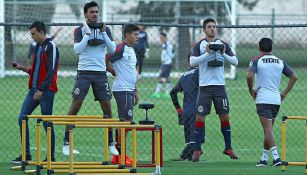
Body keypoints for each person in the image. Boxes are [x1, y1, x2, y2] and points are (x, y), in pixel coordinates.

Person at [62, 1, 118, 156]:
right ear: (85, 14)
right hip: (84, 73)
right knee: (76, 105)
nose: (95, 14)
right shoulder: (79, 30)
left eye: (96, 12)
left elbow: (112, 49)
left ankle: (110, 142)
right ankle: (66, 142)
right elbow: (78, 50)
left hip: (100, 74)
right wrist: (87, 34)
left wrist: (104, 32)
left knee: (107, 108)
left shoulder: (105, 29)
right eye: (92, 12)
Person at [189, 18, 239, 162]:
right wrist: (206, 53)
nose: (212, 29)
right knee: (199, 117)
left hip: (219, 87)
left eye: (214, 26)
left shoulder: (223, 44)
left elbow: (235, 61)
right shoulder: (199, 45)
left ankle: (228, 148)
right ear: (204, 30)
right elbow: (192, 62)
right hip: (204, 87)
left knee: (225, 117)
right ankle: (197, 149)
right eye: (209, 27)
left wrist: (222, 53)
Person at [11, 21, 59, 162]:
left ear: (41, 32)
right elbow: (37, 71)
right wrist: (22, 68)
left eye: (33, 34)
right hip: (33, 91)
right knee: (22, 119)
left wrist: (42, 89)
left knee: (46, 123)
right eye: (31, 34)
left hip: (46, 91)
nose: (32, 37)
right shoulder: (38, 46)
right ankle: (26, 155)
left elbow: (51, 72)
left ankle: (51, 157)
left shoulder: (51, 47)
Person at [247, 38, 297, 167]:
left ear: (259, 48)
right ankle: (263, 159)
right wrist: (284, 93)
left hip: (263, 99)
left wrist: (250, 90)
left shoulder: (257, 60)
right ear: (271, 48)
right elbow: (294, 77)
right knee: (267, 130)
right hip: (276, 99)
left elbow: (249, 76)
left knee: (268, 130)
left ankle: (276, 158)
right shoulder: (280, 62)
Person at [105, 24, 140, 165]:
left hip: (129, 90)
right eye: (134, 34)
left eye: (138, 34)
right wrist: (111, 70)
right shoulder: (121, 48)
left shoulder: (131, 50)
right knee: (126, 123)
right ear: (126, 35)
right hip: (122, 90)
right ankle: (120, 155)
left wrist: (135, 91)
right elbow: (106, 57)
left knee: (125, 123)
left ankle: (118, 155)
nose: (137, 37)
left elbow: (131, 72)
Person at [170, 53, 198, 161]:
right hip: (197, 110)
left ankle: (189, 157)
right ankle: (182, 156)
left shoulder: (184, 75)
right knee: (195, 140)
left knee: (190, 143)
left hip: (185, 111)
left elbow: (173, 92)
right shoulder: (200, 73)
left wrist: (178, 109)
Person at [150, 32, 174, 99]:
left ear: (165, 38)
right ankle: (167, 93)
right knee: (167, 78)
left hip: (166, 64)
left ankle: (157, 93)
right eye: (160, 38)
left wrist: (168, 59)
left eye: (161, 38)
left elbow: (171, 51)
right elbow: (173, 52)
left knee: (160, 77)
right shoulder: (166, 44)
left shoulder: (166, 44)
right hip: (166, 63)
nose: (160, 39)